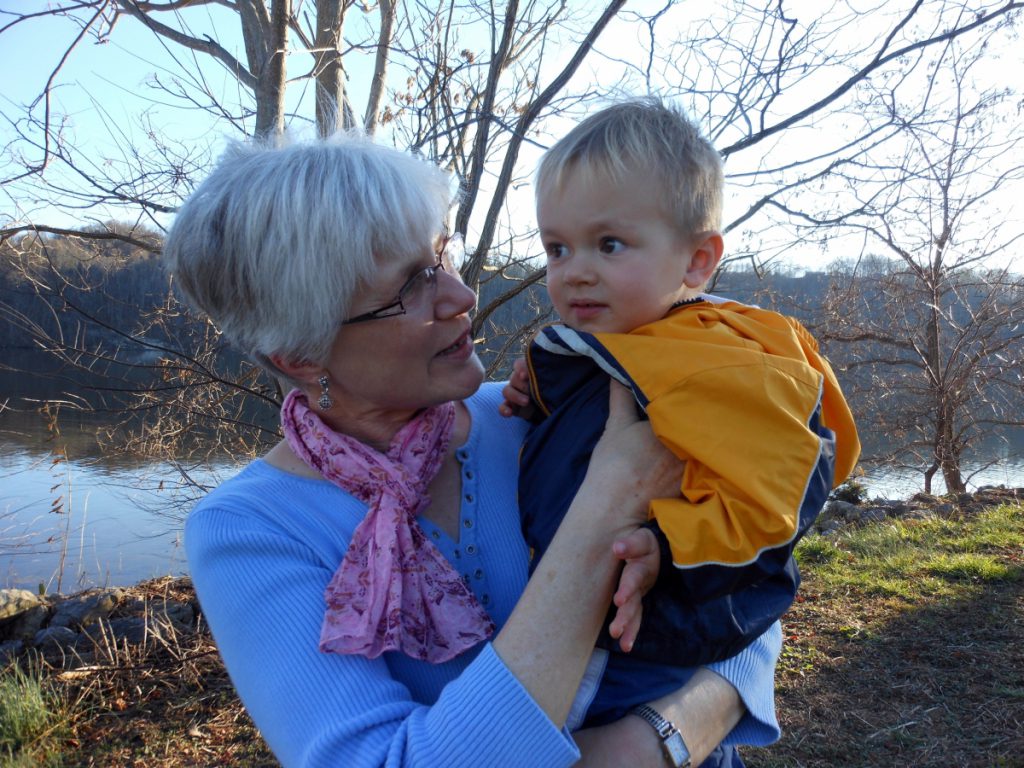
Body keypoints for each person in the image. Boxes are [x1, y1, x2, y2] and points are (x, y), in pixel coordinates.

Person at [165, 131, 784, 768]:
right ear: (298, 353)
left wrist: (656, 739)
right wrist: (604, 506)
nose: (462, 297)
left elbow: (750, 571)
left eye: (442, 256)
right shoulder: (250, 530)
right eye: (409, 287)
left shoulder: (542, 410)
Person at [500, 98, 860, 728]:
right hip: (585, 618)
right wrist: (538, 390)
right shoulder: (632, 341)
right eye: (556, 249)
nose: (575, 272)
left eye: (608, 244)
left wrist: (666, 546)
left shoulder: (721, 361)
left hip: (643, 641)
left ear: (697, 260)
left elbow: (772, 499)